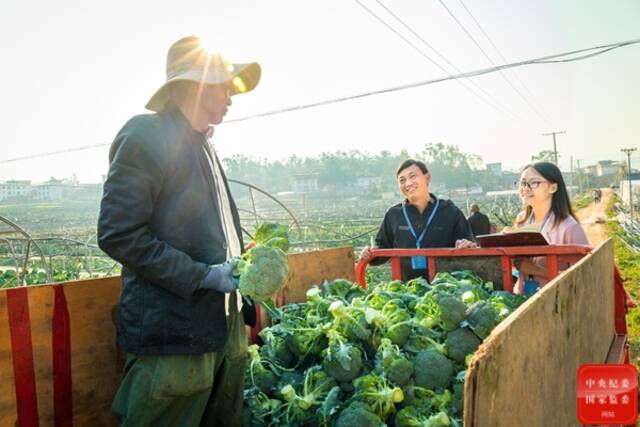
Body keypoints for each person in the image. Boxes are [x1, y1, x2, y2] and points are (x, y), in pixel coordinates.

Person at [97, 35, 261, 426]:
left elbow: (218, 236)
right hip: (174, 341)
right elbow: (119, 233)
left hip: (222, 332)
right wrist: (202, 276)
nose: (232, 97)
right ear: (197, 84)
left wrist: (246, 300)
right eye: (225, 85)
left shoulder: (206, 146)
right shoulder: (147, 135)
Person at [359, 159, 476, 281]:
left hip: (445, 288)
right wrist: (369, 253)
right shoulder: (394, 214)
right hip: (407, 292)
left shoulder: (451, 212)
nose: (408, 183)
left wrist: (467, 244)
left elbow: (468, 245)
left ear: (427, 177)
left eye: (413, 176)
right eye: (402, 180)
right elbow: (381, 249)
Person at [512, 161, 589, 295]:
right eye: (523, 183)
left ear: (553, 188)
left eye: (534, 182)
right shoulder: (521, 221)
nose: (525, 188)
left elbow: (581, 277)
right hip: (522, 300)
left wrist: (535, 270)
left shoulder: (570, 227)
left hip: (555, 304)